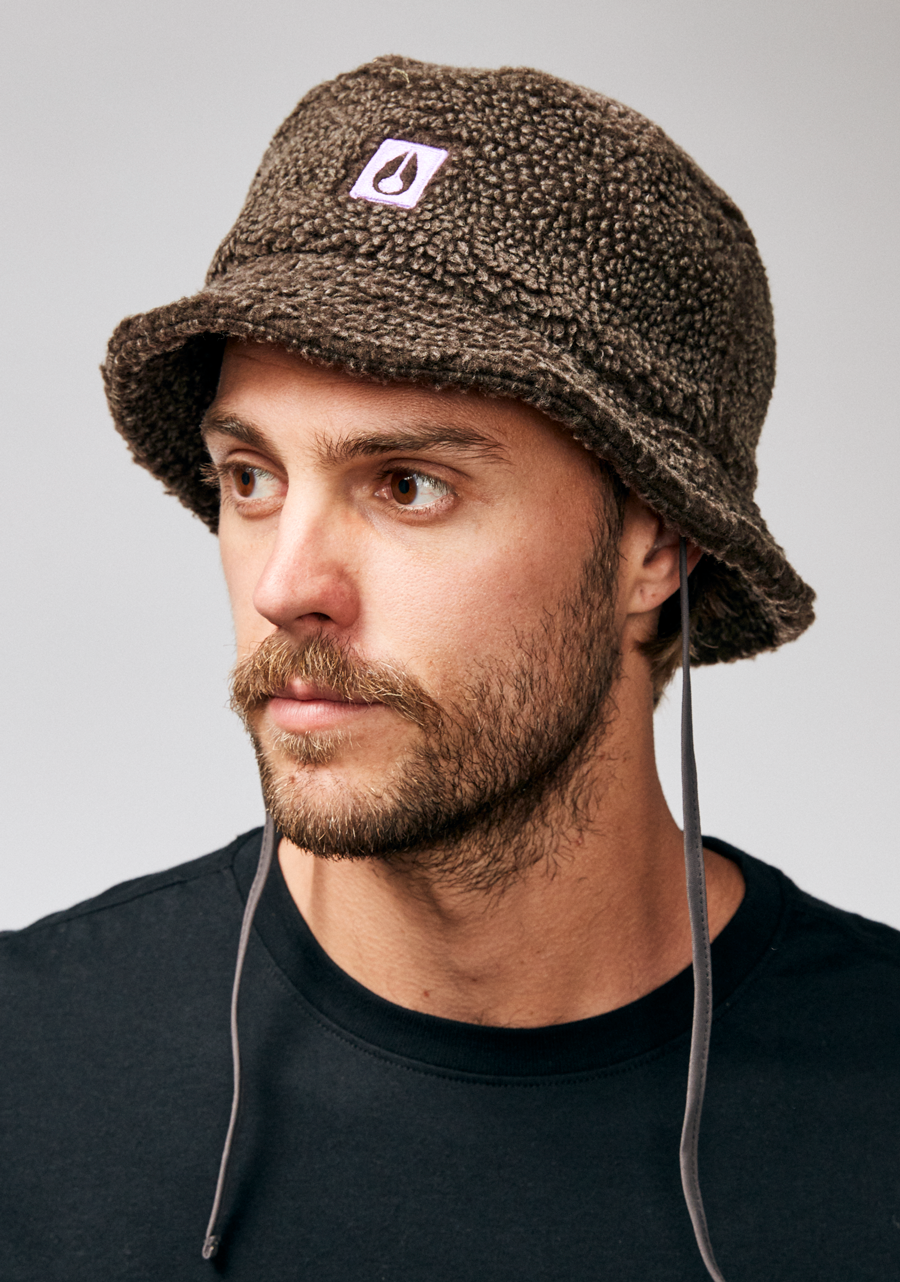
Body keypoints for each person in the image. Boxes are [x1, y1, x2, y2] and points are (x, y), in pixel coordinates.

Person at [2, 54, 898, 1282]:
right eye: (251, 477)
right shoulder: (28, 1071)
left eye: (409, 485)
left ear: (657, 544)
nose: (285, 584)